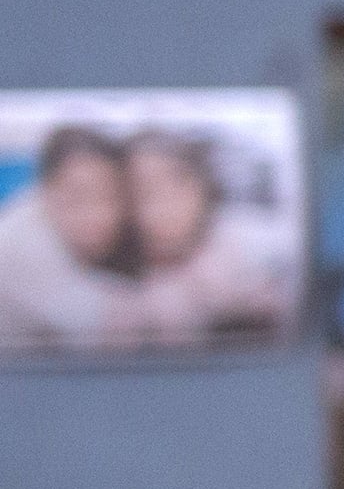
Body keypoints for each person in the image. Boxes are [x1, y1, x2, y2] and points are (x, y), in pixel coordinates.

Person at [112, 129, 288, 341]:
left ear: (203, 186)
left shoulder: (253, 245)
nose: (164, 205)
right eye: (144, 191)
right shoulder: (120, 293)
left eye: (177, 184)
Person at [0, 126, 139, 347]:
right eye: (78, 197)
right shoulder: (16, 244)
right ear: (47, 192)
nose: (95, 214)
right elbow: (108, 327)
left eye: (108, 196)